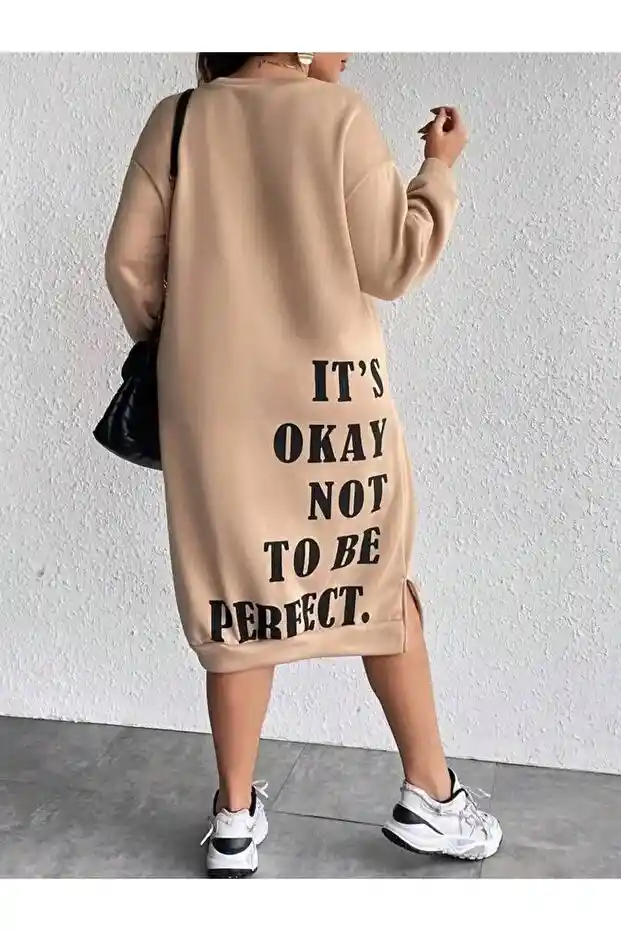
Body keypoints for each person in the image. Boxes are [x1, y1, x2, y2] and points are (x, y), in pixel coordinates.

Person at [105, 52, 502, 878]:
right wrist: (437, 168)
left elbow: (130, 266)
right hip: (332, 407)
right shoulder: (337, 114)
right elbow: (392, 262)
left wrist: (190, 343)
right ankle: (431, 795)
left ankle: (233, 820)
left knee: (238, 595)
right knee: (374, 579)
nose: (345, 45)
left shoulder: (178, 118)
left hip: (215, 406)